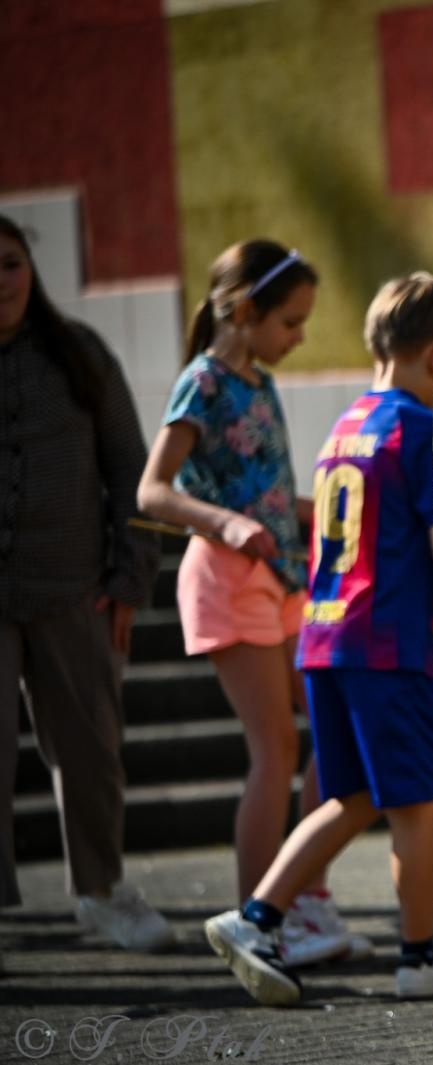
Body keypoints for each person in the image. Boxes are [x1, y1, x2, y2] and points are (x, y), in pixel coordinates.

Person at [203, 272, 433, 1004]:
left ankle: (255, 916)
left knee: (352, 796)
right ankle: (420, 957)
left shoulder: (346, 429)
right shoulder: (425, 430)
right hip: (384, 648)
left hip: (329, 638)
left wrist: (427, 618)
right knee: (414, 806)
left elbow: (376, 545)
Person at [137, 240, 356, 967]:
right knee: (276, 749)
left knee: (333, 730)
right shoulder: (201, 382)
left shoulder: (259, 382)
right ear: (243, 310)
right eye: (290, 322)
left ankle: (304, 897)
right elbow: (153, 490)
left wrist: (335, 509)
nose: (299, 336)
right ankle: (256, 920)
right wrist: (226, 524)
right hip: (226, 581)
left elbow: (268, 493)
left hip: (287, 581)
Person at [0, 215, 171, 952]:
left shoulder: (79, 354)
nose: (1, 281)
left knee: (92, 749)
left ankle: (101, 890)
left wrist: (130, 578)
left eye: (10, 263)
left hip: (73, 588)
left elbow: (131, 469)